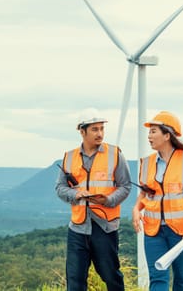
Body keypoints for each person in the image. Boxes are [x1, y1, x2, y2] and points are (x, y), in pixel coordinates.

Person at [56, 108, 131, 291]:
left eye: (101, 129)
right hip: (78, 227)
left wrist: (108, 200)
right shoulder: (69, 157)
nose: (100, 134)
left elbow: (126, 186)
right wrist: (76, 194)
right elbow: (60, 188)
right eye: (95, 129)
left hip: (104, 226)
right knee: (74, 281)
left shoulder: (115, 155)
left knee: (111, 276)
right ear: (82, 131)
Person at [132, 111, 183, 291]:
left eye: (153, 131)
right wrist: (136, 209)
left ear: (167, 135)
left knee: (182, 278)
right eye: (149, 132)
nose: (149, 136)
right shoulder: (146, 163)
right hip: (153, 231)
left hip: (181, 231)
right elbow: (145, 194)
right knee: (157, 278)